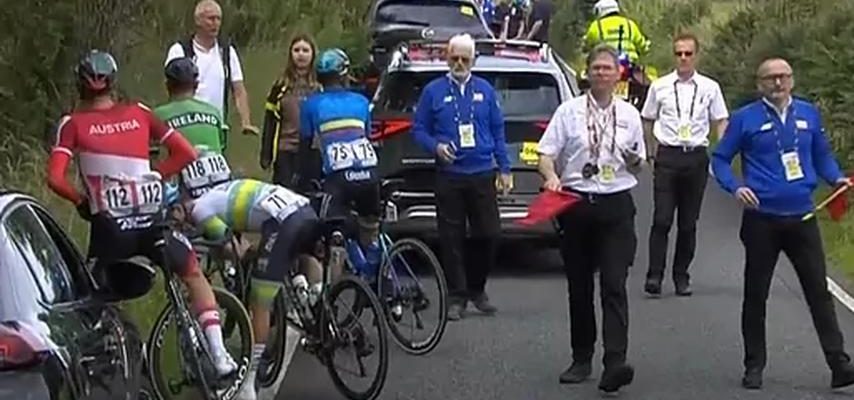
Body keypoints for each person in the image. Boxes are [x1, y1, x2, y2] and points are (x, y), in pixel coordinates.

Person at [45, 50, 238, 377]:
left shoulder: (72, 124)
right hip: (152, 219)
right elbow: (186, 153)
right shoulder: (141, 112)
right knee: (192, 273)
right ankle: (219, 355)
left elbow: (55, 179)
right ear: (113, 83)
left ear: (80, 85)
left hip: (110, 227)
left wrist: (83, 202)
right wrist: (154, 176)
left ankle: (122, 358)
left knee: (97, 297)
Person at [711, 57, 854, 390]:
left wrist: (835, 179)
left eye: (783, 77)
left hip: (802, 216)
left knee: (818, 291)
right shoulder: (745, 119)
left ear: (792, 80)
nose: (778, 83)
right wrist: (735, 186)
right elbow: (718, 159)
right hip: (762, 218)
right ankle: (754, 365)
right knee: (756, 293)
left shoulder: (808, 114)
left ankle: (839, 363)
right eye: (771, 78)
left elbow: (822, 156)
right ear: (759, 83)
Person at [536, 44, 645, 394]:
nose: (601, 73)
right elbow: (545, 154)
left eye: (607, 68)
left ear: (617, 75)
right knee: (579, 286)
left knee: (614, 283)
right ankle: (581, 357)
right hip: (577, 203)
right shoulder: (568, 112)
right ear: (587, 73)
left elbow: (640, 164)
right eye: (595, 68)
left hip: (616, 205)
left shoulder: (629, 115)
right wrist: (550, 177)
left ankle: (615, 361)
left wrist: (633, 160)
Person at [167, 178, 331, 400]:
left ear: (182, 207)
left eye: (178, 222)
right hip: (304, 209)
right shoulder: (216, 193)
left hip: (283, 225)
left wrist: (247, 253)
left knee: (259, 301)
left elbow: (233, 249)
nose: (181, 227)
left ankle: (248, 383)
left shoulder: (199, 210)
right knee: (298, 253)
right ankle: (313, 298)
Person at [411, 33, 513, 320]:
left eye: (464, 59)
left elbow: (498, 130)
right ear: (447, 58)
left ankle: (476, 288)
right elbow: (418, 129)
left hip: (482, 171)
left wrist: (504, 168)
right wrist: (436, 147)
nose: (459, 63)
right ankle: (456, 296)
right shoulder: (433, 91)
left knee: (490, 234)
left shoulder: (485, 90)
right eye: (454, 58)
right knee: (451, 238)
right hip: (449, 174)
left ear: (473, 61)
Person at [640, 31, 729, 297]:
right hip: (668, 155)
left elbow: (721, 119)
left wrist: (721, 149)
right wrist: (651, 151)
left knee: (688, 223)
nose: (683, 58)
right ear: (674, 56)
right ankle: (654, 275)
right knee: (662, 219)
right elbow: (647, 119)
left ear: (696, 56)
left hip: (696, 156)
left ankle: (681, 276)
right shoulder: (660, 86)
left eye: (688, 54)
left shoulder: (710, 87)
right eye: (679, 53)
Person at [298, 48, 383, 278]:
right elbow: (366, 134)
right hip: (369, 175)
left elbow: (306, 148)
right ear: (345, 75)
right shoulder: (361, 101)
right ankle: (380, 272)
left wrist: (304, 180)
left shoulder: (311, 105)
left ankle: (340, 261)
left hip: (338, 179)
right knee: (371, 226)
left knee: (333, 225)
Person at [164, 0, 259, 146]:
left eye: (218, 19)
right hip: (185, 125)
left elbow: (238, 89)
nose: (215, 23)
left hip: (216, 126)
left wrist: (245, 121)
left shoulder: (227, 52)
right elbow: (170, 87)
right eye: (211, 18)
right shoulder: (180, 50)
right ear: (198, 21)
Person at [260, 34, 321, 189]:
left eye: (305, 50)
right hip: (286, 150)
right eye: (296, 50)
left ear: (313, 54)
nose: (301, 54)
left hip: (313, 151)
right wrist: (266, 154)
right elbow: (270, 121)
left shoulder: (320, 86)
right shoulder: (280, 86)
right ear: (290, 54)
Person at [155, 57, 228, 156]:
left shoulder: (156, 116)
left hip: (177, 169)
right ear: (196, 85)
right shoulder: (213, 112)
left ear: (167, 85)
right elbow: (222, 145)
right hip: (219, 170)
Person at [584, 0, 650, 66]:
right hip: (630, 65)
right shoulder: (630, 24)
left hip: (607, 65)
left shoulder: (596, 26)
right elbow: (642, 46)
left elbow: (587, 45)